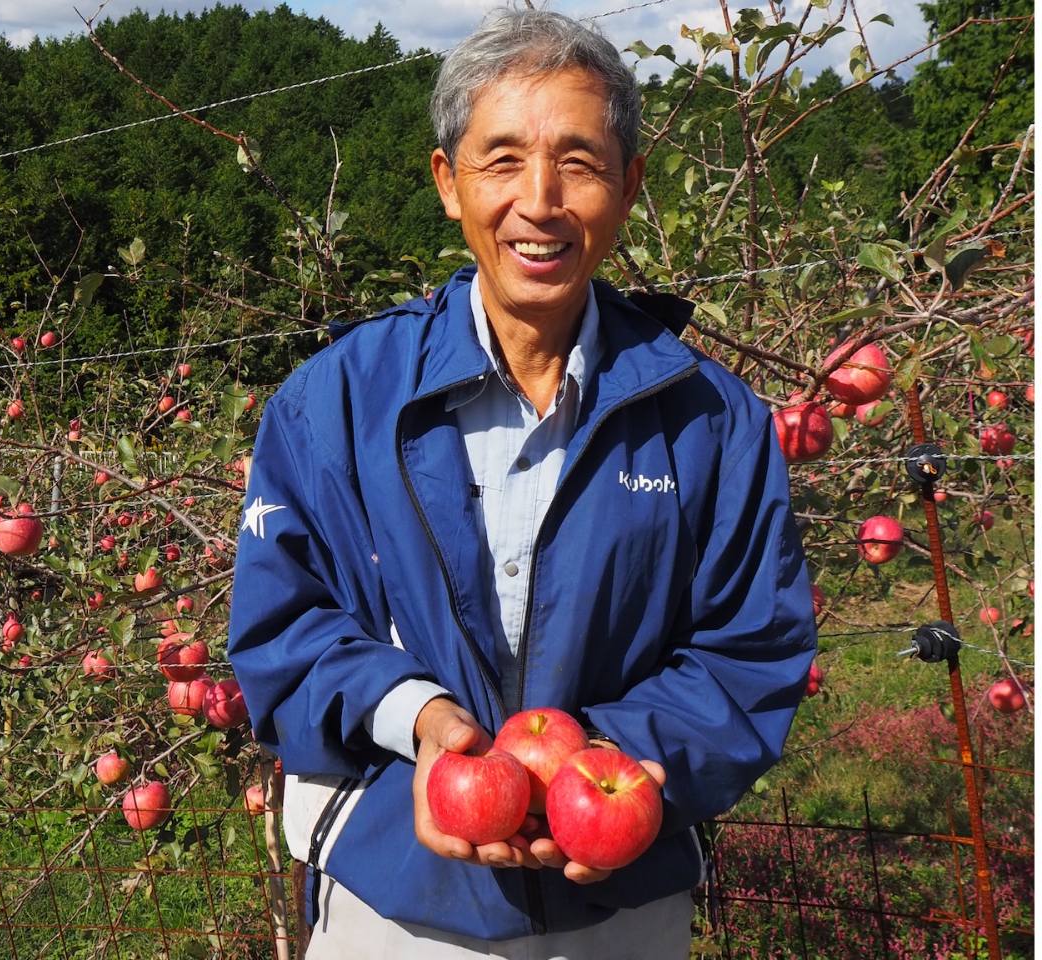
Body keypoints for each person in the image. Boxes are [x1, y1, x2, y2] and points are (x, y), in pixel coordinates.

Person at [228, 7, 817, 958]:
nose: (539, 200)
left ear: (628, 188)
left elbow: (750, 652)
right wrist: (416, 720)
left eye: (579, 162)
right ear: (447, 183)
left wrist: (607, 759)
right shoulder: (331, 404)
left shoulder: (712, 421)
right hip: (396, 904)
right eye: (501, 160)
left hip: (623, 905)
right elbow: (283, 626)